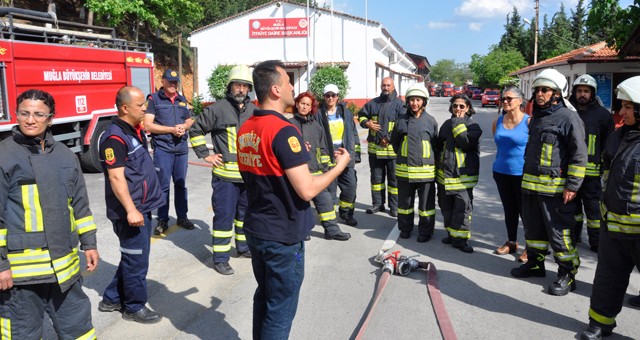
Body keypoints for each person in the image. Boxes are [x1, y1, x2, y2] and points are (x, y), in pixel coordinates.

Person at [237, 60, 350, 339]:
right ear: (276, 89)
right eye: (288, 83)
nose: (292, 87)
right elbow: (308, 189)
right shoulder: (284, 130)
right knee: (281, 306)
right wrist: (340, 166)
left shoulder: (247, 126)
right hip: (282, 234)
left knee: (264, 296)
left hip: (257, 227)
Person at [0, 89, 99, 338]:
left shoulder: (66, 155)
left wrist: (89, 243)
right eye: (24, 113)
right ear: (16, 114)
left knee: (79, 329)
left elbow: (80, 205)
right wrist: (1, 265)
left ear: (50, 118)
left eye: (38, 114)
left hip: (64, 271)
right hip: (22, 276)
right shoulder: (4, 155)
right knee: (22, 333)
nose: (30, 120)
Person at [511, 68, 587, 297]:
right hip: (532, 188)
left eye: (545, 90)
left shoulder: (569, 117)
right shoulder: (537, 118)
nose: (540, 94)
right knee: (533, 231)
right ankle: (535, 264)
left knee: (560, 234)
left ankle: (567, 273)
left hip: (555, 191)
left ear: (557, 93)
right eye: (538, 90)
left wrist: (572, 185)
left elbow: (579, 155)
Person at [580, 76, 640, 340]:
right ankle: (600, 324)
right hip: (613, 225)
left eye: (628, 107)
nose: (621, 112)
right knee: (607, 278)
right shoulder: (620, 136)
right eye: (622, 106)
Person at [98, 86, 165, 323]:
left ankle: (111, 298)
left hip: (141, 207)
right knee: (136, 260)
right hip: (130, 211)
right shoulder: (114, 138)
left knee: (132, 256)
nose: (144, 108)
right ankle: (134, 307)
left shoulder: (133, 131)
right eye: (140, 105)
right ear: (125, 108)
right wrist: (131, 210)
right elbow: (116, 178)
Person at [189, 65, 257, 275]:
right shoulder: (217, 109)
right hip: (225, 178)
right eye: (238, 85)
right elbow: (195, 129)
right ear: (230, 86)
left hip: (248, 177)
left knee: (245, 215)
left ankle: (243, 248)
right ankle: (220, 258)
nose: (241, 90)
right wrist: (205, 154)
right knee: (224, 218)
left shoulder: (255, 111)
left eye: (245, 86)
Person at [290, 91, 351, 241]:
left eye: (308, 105)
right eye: (302, 103)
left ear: (312, 108)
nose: (304, 107)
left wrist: (326, 167)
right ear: (297, 104)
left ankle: (331, 230)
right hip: (298, 171)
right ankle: (302, 231)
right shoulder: (289, 125)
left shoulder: (316, 126)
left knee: (325, 200)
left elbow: (323, 148)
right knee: (300, 204)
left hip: (316, 171)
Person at [144, 69, 195, 235]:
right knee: (163, 186)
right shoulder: (154, 99)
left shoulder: (181, 99)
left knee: (180, 184)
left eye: (175, 82)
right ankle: (162, 220)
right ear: (163, 81)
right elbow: (148, 125)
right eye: (170, 81)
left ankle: (182, 217)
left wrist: (183, 127)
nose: (173, 85)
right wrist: (171, 130)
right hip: (163, 150)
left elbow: (189, 120)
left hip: (180, 149)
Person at [568, 74, 614, 252]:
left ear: (592, 93)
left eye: (586, 91)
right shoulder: (568, 112)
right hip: (571, 173)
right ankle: (574, 236)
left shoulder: (603, 116)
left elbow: (609, 144)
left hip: (593, 176)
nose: (582, 94)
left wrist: (606, 169)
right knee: (573, 210)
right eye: (579, 91)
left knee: (594, 213)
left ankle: (596, 243)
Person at [391, 83, 438, 242]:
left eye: (418, 100)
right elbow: (395, 143)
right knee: (405, 204)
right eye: (412, 100)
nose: (414, 103)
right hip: (405, 171)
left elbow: (435, 145)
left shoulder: (431, 121)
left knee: (426, 206)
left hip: (426, 173)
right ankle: (405, 228)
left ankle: (425, 231)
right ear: (407, 101)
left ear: (424, 102)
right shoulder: (401, 121)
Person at [436, 94, 482, 253]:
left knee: (462, 210)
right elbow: (438, 147)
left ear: (468, 108)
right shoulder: (446, 125)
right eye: (455, 106)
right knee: (446, 208)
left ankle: (461, 240)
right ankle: (451, 234)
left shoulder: (473, 126)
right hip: (445, 176)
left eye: (462, 106)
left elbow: (465, 142)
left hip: (462, 178)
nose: (458, 109)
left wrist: (457, 122)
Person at [492, 86, 530, 261]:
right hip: (501, 172)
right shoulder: (498, 121)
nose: (505, 101)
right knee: (509, 210)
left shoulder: (529, 122)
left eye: (509, 98)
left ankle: (531, 247)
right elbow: (498, 145)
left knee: (526, 212)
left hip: (521, 174)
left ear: (520, 101)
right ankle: (512, 242)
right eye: (503, 99)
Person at [359, 77, 404, 217]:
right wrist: (367, 124)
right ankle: (378, 204)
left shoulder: (400, 105)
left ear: (393, 86)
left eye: (388, 85)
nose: (386, 87)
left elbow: (402, 126)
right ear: (380, 86)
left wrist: (389, 138)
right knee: (376, 180)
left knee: (393, 181)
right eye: (384, 85)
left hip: (392, 152)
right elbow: (361, 116)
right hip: (375, 151)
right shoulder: (373, 103)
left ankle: (394, 207)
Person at [317, 84, 359, 226]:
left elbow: (353, 133)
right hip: (327, 156)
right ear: (324, 97)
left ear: (337, 97)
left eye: (333, 95)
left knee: (350, 187)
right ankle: (330, 220)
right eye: (327, 95)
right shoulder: (318, 114)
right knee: (330, 191)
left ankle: (346, 214)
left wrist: (355, 154)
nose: (330, 98)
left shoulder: (346, 113)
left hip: (344, 155)